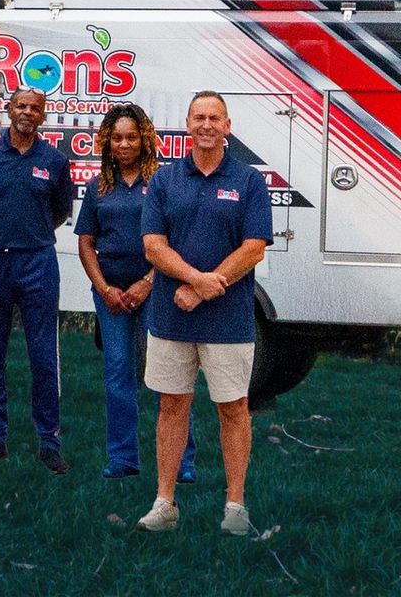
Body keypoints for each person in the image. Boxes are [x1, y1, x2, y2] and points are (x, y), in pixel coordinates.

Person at [137, 90, 272, 536]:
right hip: (172, 316)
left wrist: (204, 288)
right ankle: (164, 503)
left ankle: (235, 508)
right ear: (188, 125)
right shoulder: (164, 180)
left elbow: (253, 247)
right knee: (172, 406)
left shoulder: (250, 181)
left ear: (228, 126)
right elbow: (153, 245)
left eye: (216, 117)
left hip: (228, 320)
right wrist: (195, 279)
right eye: (199, 117)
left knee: (234, 409)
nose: (207, 125)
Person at [74, 103, 196, 482]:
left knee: (169, 375)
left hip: (155, 291)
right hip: (110, 295)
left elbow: (174, 241)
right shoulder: (98, 188)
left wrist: (147, 282)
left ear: (145, 140)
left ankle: (182, 462)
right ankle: (123, 457)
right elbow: (86, 243)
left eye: (131, 137)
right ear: (107, 142)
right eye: (117, 137)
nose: (124, 144)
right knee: (117, 373)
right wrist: (104, 288)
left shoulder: (161, 183)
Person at [0, 87, 75, 474]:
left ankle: (48, 441)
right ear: (8, 110)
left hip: (38, 262)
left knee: (43, 355)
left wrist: (31, 235)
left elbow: (60, 211)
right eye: (21, 106)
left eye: (35, 108)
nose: (27, 112)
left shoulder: (56, 162)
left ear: (43, 116)